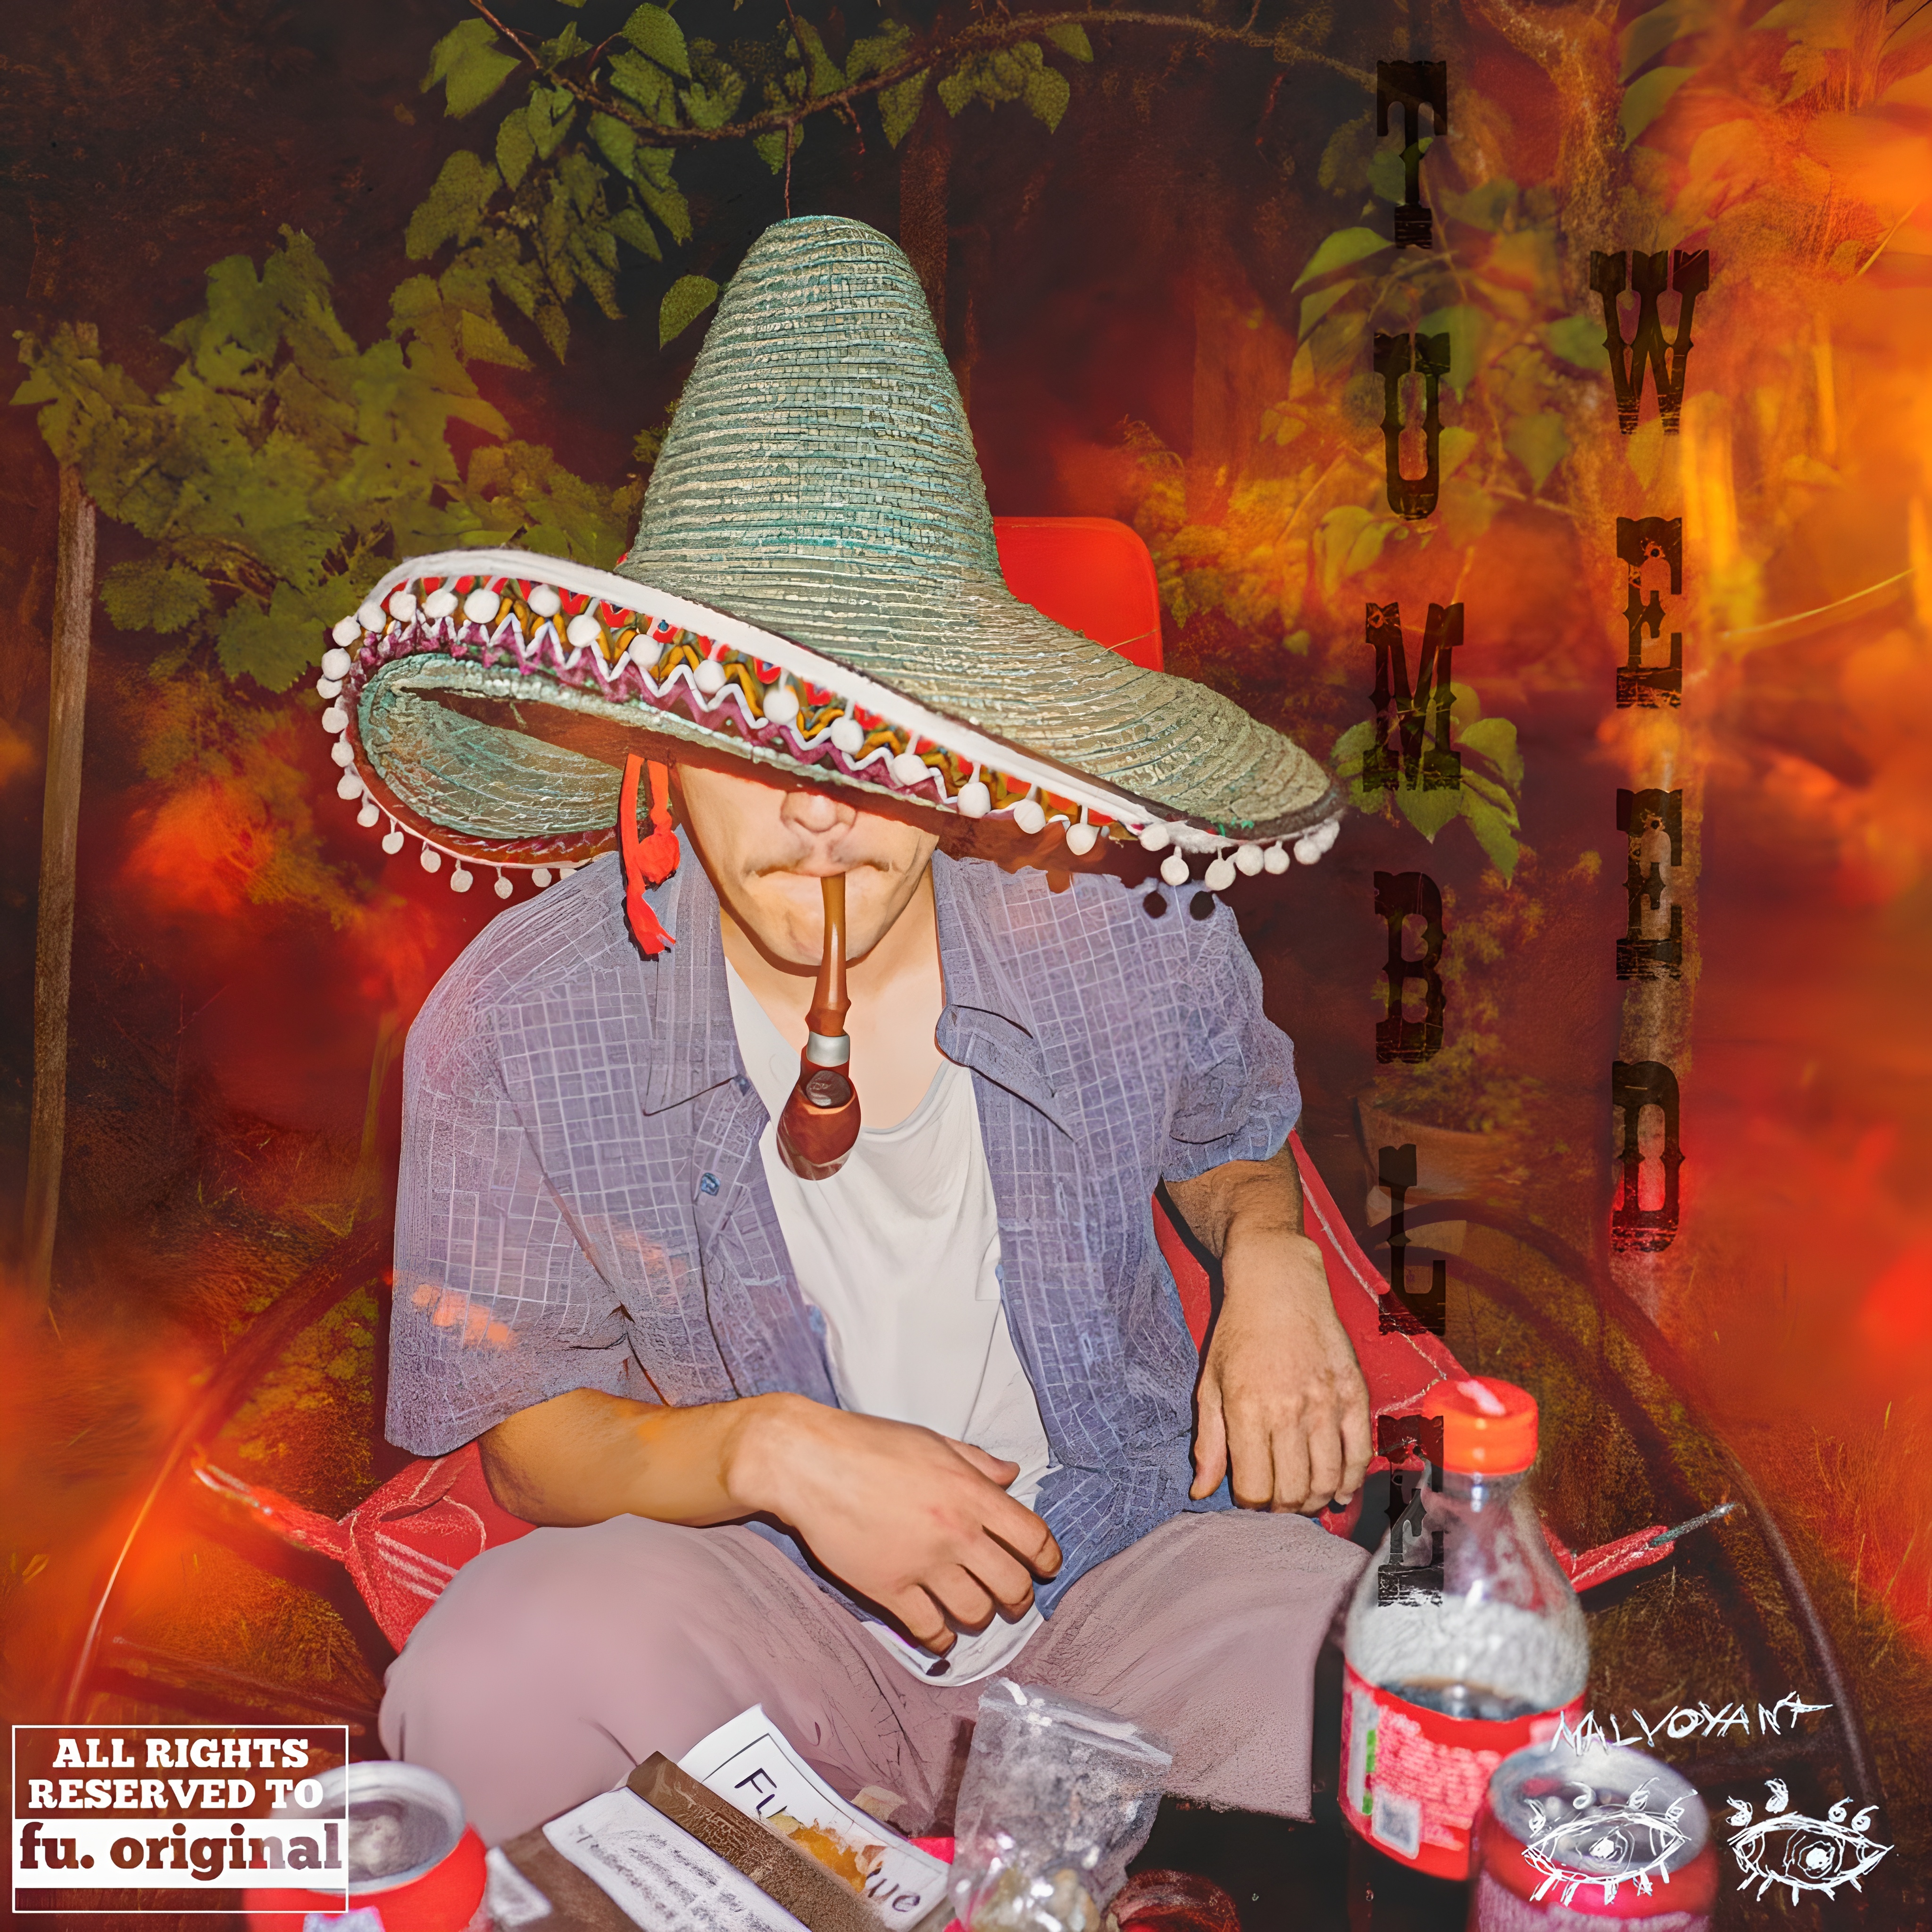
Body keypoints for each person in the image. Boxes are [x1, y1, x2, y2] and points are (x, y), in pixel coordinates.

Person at [331, 215, 1372, 1848]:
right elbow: (531, 1443)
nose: (822, 812)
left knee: (1393, 1692)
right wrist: (777, 1454)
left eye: (876, 743)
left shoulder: (1125, 929)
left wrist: (1273, 1256)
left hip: (1134, 1566)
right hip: (762, 1605)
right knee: (495, 1674)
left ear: (960, 751)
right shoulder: (519, 1021)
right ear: (652, 742)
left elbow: (1229, 1138)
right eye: (762, 736)